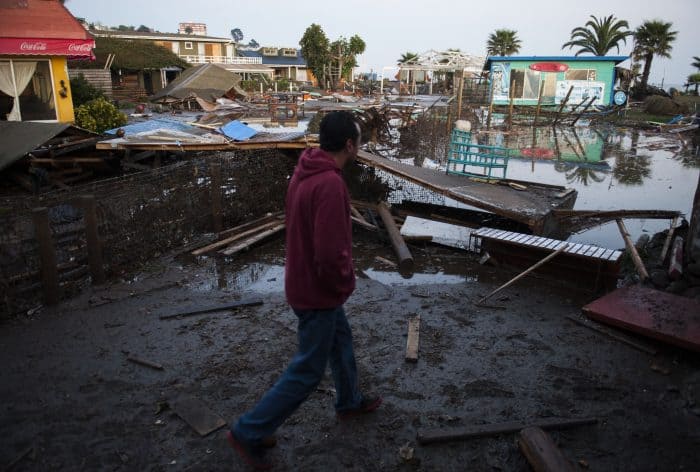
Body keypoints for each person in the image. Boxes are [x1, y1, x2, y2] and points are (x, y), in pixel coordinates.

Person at [227, 111, 382, 470]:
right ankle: (248, 431)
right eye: (359, 140)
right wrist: (344, 281)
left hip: (302, 280)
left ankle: (349, 400)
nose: (360, 146)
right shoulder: (329, 184)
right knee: (308, 369)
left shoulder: (305, 170)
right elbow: (329, 253)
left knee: (341, 341)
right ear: (349, 145)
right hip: (317, 290)